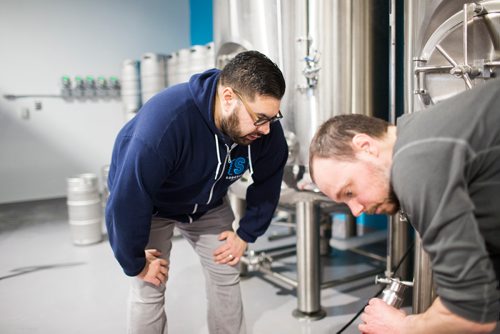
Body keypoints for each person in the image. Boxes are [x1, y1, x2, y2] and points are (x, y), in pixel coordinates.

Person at [105, 50, 288, 334]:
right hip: (153, 207)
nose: (266, 130)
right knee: (148, 287)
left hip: (209, 207)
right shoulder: (165, 124)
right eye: (260, 118)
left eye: (272, 118)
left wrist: (246, 234)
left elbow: (269, 180)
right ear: (228, 98)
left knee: (226, 275)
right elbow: (127, 198)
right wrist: (135, 262)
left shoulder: (265, 130)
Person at [309, 79, 500, 334]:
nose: (355, 211)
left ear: (366, 147)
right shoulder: (423, 134)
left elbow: (470, 315)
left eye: (350, 191)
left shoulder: (415, 163)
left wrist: (401, 326)